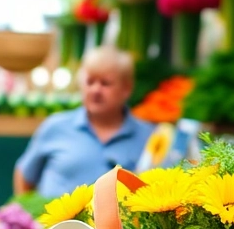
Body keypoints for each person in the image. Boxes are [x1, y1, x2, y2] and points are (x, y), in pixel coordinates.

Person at [14, 46, 153, 197]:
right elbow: (24, 175)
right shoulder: (55, 126)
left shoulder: (150, 137)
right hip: (56, 220)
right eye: (90, 82)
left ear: (127, 88)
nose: (95, 90)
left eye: (105, 83)